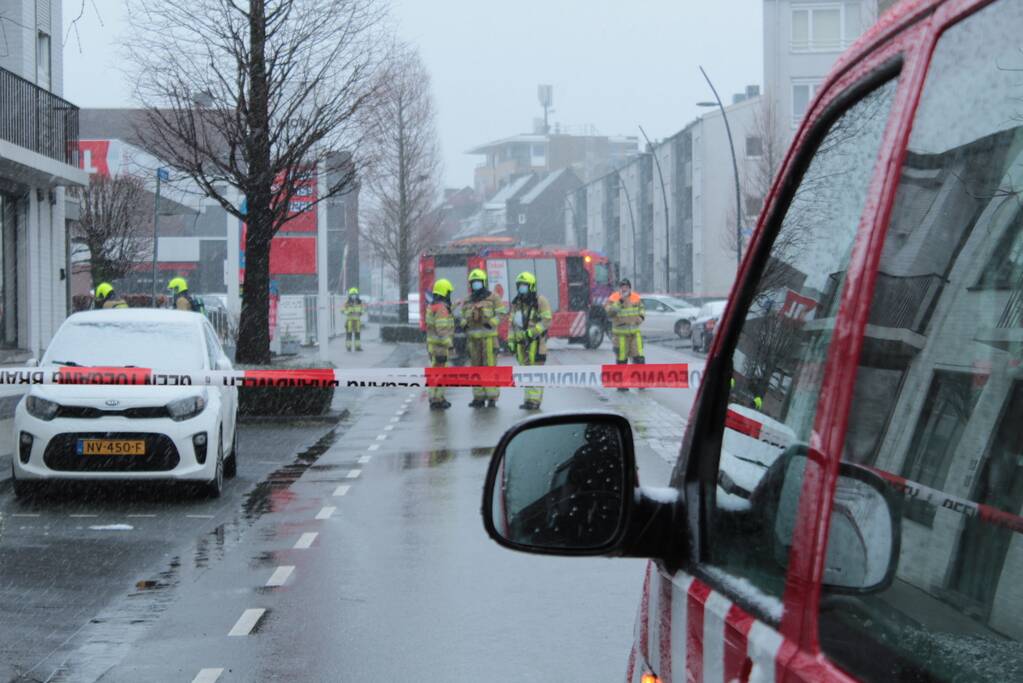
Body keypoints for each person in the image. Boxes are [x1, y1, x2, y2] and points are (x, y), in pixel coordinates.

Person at [457, 268, 506, 408]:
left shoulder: (493, 297)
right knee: (475, 369)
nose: (475, 285)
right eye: (473, 282)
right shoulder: (467, 300)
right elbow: (461, 316)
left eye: (478, 282)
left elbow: (502, 313)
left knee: (489, 368)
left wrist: (492, 323)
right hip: (473, 341)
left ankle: (491, 398)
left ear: (483, 282)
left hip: (489, 341)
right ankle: (478, 397)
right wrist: (464, 325)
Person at [508, 271, 552, 410]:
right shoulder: (517, 302)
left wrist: (531, 333)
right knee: (525, 371)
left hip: (536, 343)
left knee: (535, 371)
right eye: (520, 285)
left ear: (531, 286)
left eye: (524, 285)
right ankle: (528, 400)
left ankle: (534, 401)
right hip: (521, 343)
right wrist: (510, 340)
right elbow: (511, 322)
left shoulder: (540, 301)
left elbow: (546, 321)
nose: (522, 288)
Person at [604, 278, 645, 390]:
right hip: (620, 335)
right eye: (622, 286)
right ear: (619, 288)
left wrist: (640, 318)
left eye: (626, 286)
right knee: (622, 359)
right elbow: (610, 312)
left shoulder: (636, 297)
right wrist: (620, 302)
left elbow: (642, 309)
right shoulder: (613, 298)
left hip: (634, 333)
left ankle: (641, 381)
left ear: (629, 287)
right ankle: (622, 384)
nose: (624, 288)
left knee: (639, 358)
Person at [425, 279, 456, 410]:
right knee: (441, 373)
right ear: (445, 292)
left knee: (434, 373)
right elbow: (442, 330)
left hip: (433, 345)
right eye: (449, 292)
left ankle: (435, 398)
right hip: (440, 347)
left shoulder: (432, 306)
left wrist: (454, 306)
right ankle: (438, 399)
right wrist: (450, 345)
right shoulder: (442, 308)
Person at [342, 287, 365, 352]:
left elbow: (363, 309)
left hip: (357, 321)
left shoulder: (360, 302)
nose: (354, 296)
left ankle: (357, 347)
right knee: (349, 334)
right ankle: (348, 347)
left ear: (357, 295)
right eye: (352, 294)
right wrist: (348, 312)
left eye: (355, 294)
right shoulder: (347, 302)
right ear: (350, 295)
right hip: (350, 321)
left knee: (357, 334)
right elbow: (342, 310)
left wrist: (361, 312)